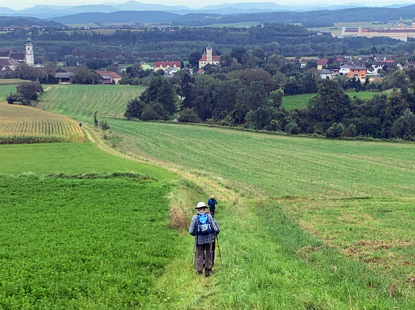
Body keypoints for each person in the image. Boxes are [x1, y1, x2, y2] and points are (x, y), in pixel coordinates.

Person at [189, 202, 219, 277]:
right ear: (204, 208)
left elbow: (191, 231)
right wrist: (212, 234)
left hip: (199, 240)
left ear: (198, 209)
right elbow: (215, 228)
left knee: (199, 255)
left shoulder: (195, 218)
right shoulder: (209, 216)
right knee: (209, 254)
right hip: (209, 239)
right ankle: (207, 270)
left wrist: (196, 234)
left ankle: (199, 271)